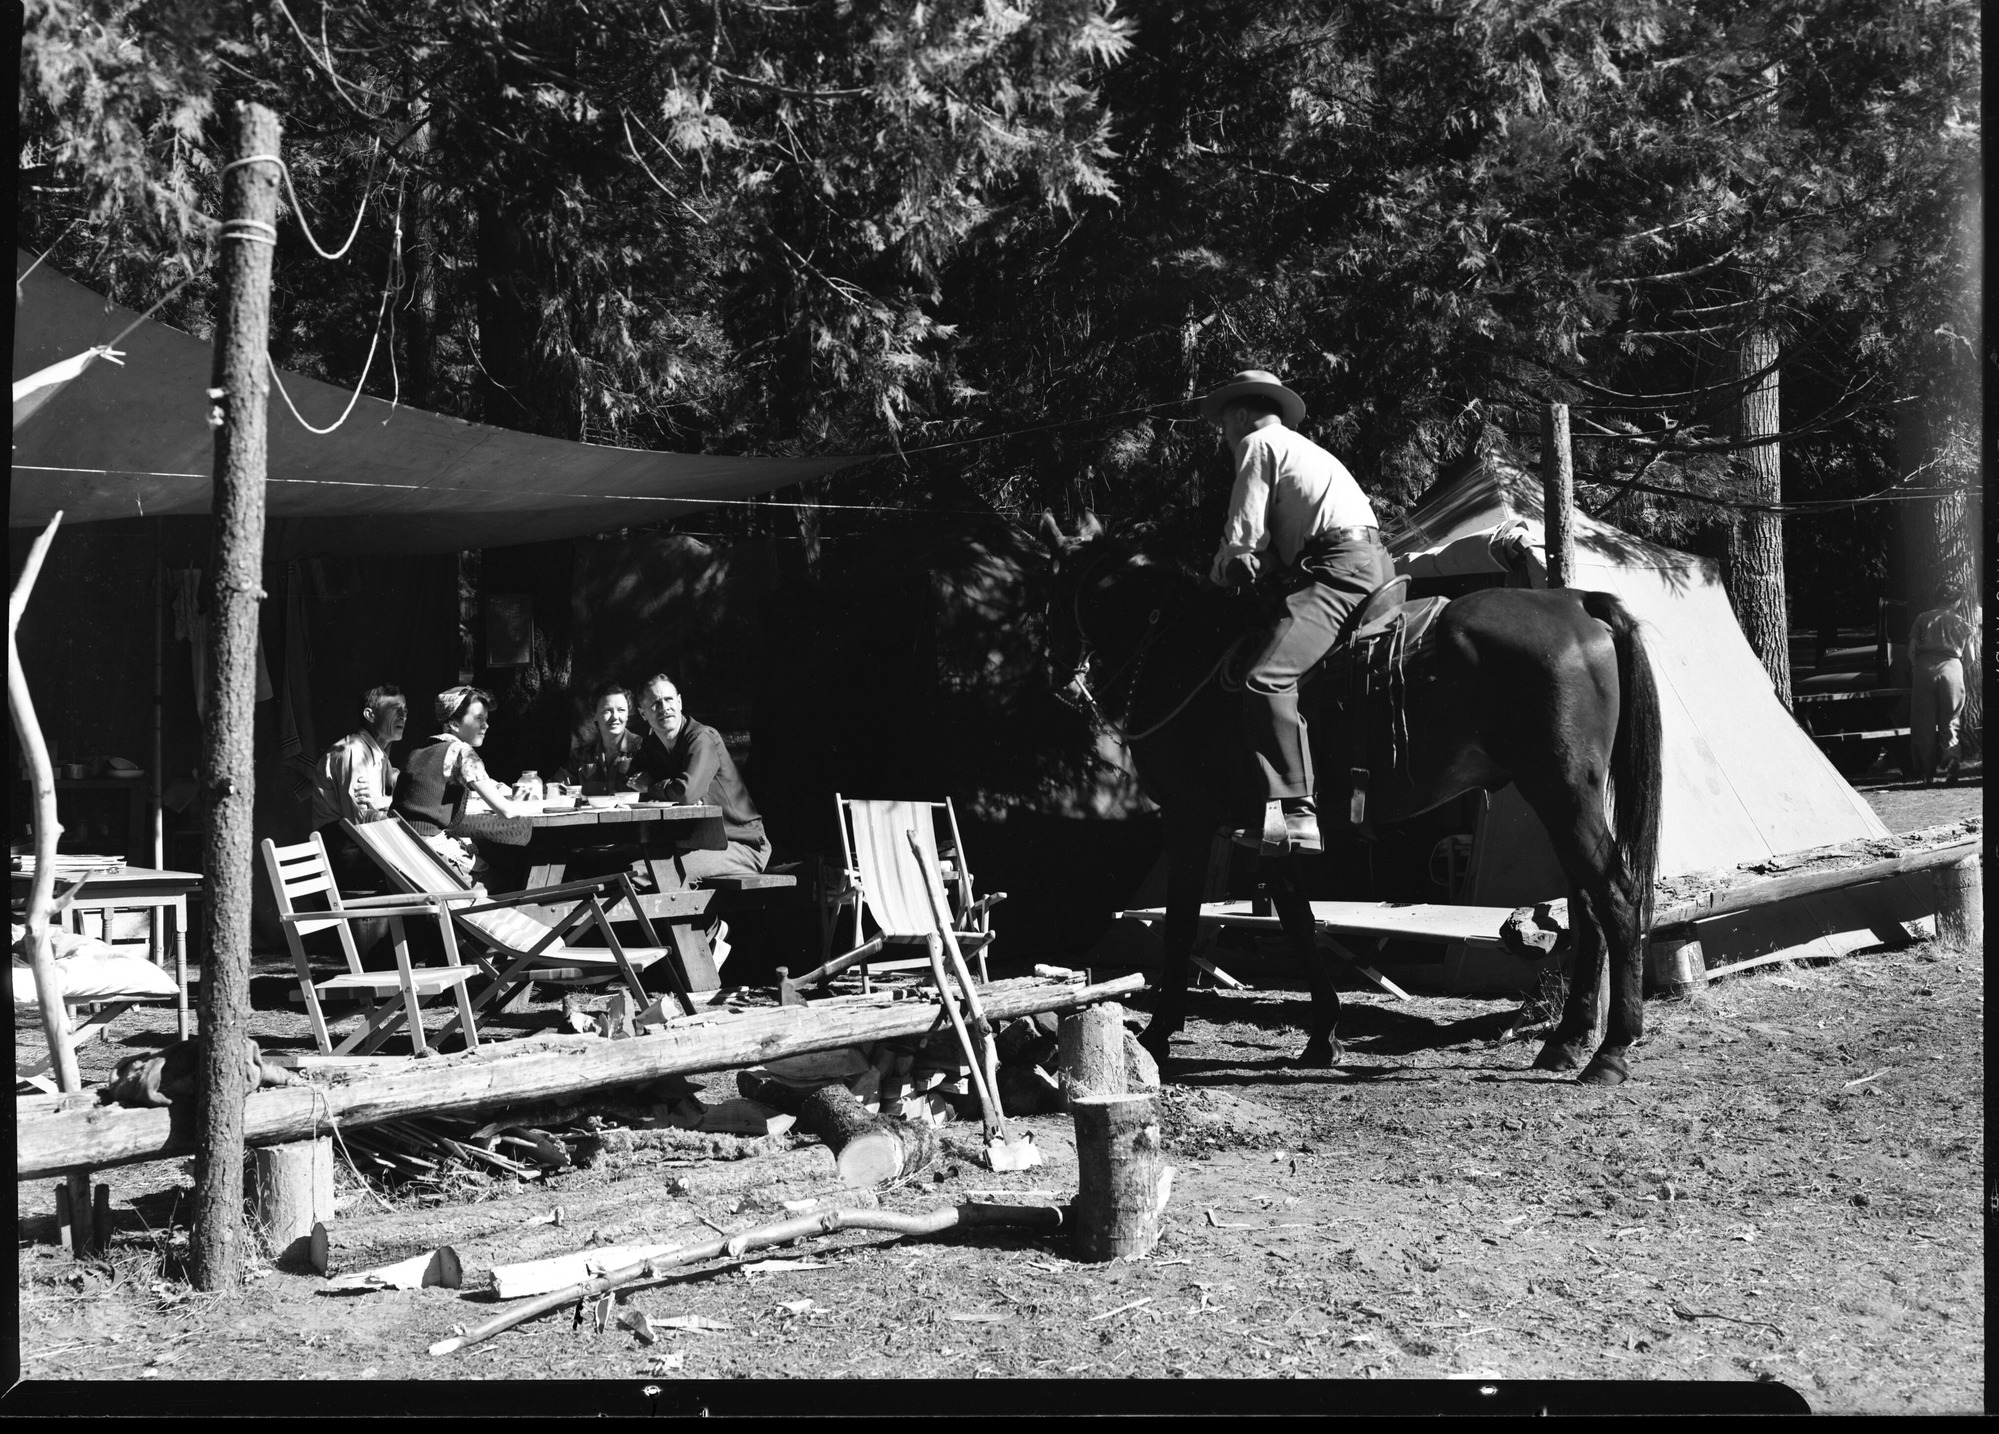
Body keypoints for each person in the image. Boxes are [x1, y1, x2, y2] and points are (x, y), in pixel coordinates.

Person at [1201, 369, 1393, 854]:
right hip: (1370, 560)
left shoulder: (1258, 445)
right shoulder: (1303, 450)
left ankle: (1295, 813)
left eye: (1224, 426)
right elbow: (1273, 551)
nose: (1224, 437)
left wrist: (1217, 573)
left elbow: (1244, 542)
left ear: (1241, 415)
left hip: (1338, 568)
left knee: (1266, 678)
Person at [392, 685, 534, 888]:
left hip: (406, 863)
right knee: (510, 879)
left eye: (486, 719)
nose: (486, 726)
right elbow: (506, 811)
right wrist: (532, 802)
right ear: (454, 723)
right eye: (478, 718)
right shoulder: (461, 752)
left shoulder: (418, 753)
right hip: (434, 865)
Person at [635, 674, 771, 881]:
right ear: (642, 713)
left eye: (669, 699)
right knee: (628, 866)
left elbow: (686, 793)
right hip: (695, 845)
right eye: (655, 703)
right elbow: (629, 782)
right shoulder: (652, 747)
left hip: (741, 845)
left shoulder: (702, 737)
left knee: (654, 873)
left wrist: (651, 788)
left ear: (680, 702)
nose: (664, 707)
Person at [311, 684, 407, 885]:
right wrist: (394, 809)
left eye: (405, 710)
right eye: (394, 708)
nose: (403, 715)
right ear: (370, 714)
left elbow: (385, 802)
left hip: (362, 848)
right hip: (345, 853)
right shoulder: (353, 752)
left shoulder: (381, 758)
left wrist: (383, 801)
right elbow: (357, 820)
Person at [1908, 579, 1977, 785]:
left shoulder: (1922, 618)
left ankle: (1926, 774)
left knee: (1923, 723)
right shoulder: (1963, 624)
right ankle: (1951, 767)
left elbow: (1911, 651)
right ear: (1956, 601)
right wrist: (1956, 671)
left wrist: (1918, 667)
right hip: (1952, 669)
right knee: (1951, 720)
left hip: (1925, 670)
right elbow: (1971, 658)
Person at [554, 681, 649, 792]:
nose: (615, 717)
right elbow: (554, 788)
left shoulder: (644, 749)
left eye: (621, 710)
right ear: (595, 715)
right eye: (607, 710)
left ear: (627, 715)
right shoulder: (582, 756)